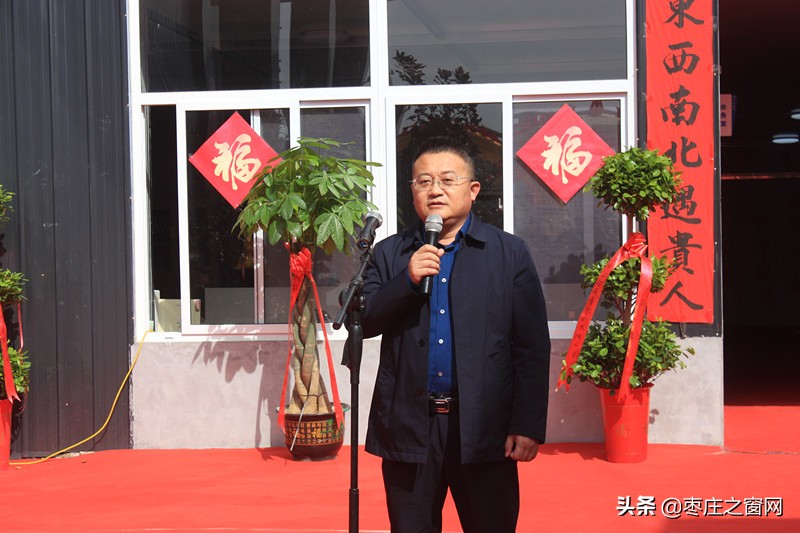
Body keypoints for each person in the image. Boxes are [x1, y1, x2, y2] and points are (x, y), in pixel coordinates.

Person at [361, 136, 551, 532]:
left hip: (484, 427)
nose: (435, 190)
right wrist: (407, 280)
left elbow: (531, 346)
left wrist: (528, 423)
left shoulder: (508, 253)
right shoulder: (390, 254)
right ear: (412, 191)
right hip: (410, 426)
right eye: (424, 181)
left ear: (473, 189)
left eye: (448, 180)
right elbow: (365, 321)